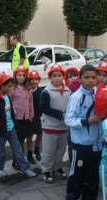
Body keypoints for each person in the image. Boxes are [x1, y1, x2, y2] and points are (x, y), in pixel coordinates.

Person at [65, 65, 103, 200]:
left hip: (97, 144)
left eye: (94, 77)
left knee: (92, 177)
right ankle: (71, 197)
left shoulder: (99, 92)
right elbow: (68, 120)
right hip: (81, 145)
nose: (91, 81)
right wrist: (87, 121)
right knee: (77, 176)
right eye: (87, 77)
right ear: (80, 79)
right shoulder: (77, 96)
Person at [0, 72, 36, 177]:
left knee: (17, 149)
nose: (11, 88)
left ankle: (24, 167)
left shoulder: (7, 97)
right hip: (1, 130)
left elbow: (9, 112)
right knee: (1, 150)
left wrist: (14, 122)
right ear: (2, 86)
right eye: (9, 86)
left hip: (11, 128)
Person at [40, 63, 71, 183]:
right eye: (54, 75)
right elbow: (44, 108)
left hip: (64, 127)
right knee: (49, 151)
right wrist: (61, 114)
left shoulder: (68, 90)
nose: (57, 78)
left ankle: (57, 168)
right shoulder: (46, 91)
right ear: (50, 77)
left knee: (60, 150)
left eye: (59, 75)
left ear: (63, 76)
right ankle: (46, 170)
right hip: (50, 126)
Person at [8, 66, 34, 169]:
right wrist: (12, 108)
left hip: (25, 118)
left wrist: (31, 114)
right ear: (15, 76)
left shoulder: (28, 89)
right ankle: (16, 161)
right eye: (19, 75)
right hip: (16, 118)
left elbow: (30, 103)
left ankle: (21, 159)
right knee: (17, 140)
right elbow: (8, 101)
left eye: (23, 75)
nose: (21, 77)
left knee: (22, 139)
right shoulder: (12, 89)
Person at [27, 70, 43, 163]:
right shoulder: (27, 91)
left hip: (38, 115)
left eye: (36, 79)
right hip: (29, 116)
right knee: (29, 134)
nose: (34, 81)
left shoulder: (41, 91)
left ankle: (37, 149)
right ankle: (29, 153)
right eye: (32, 79)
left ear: (39, 80)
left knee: (40, 133)